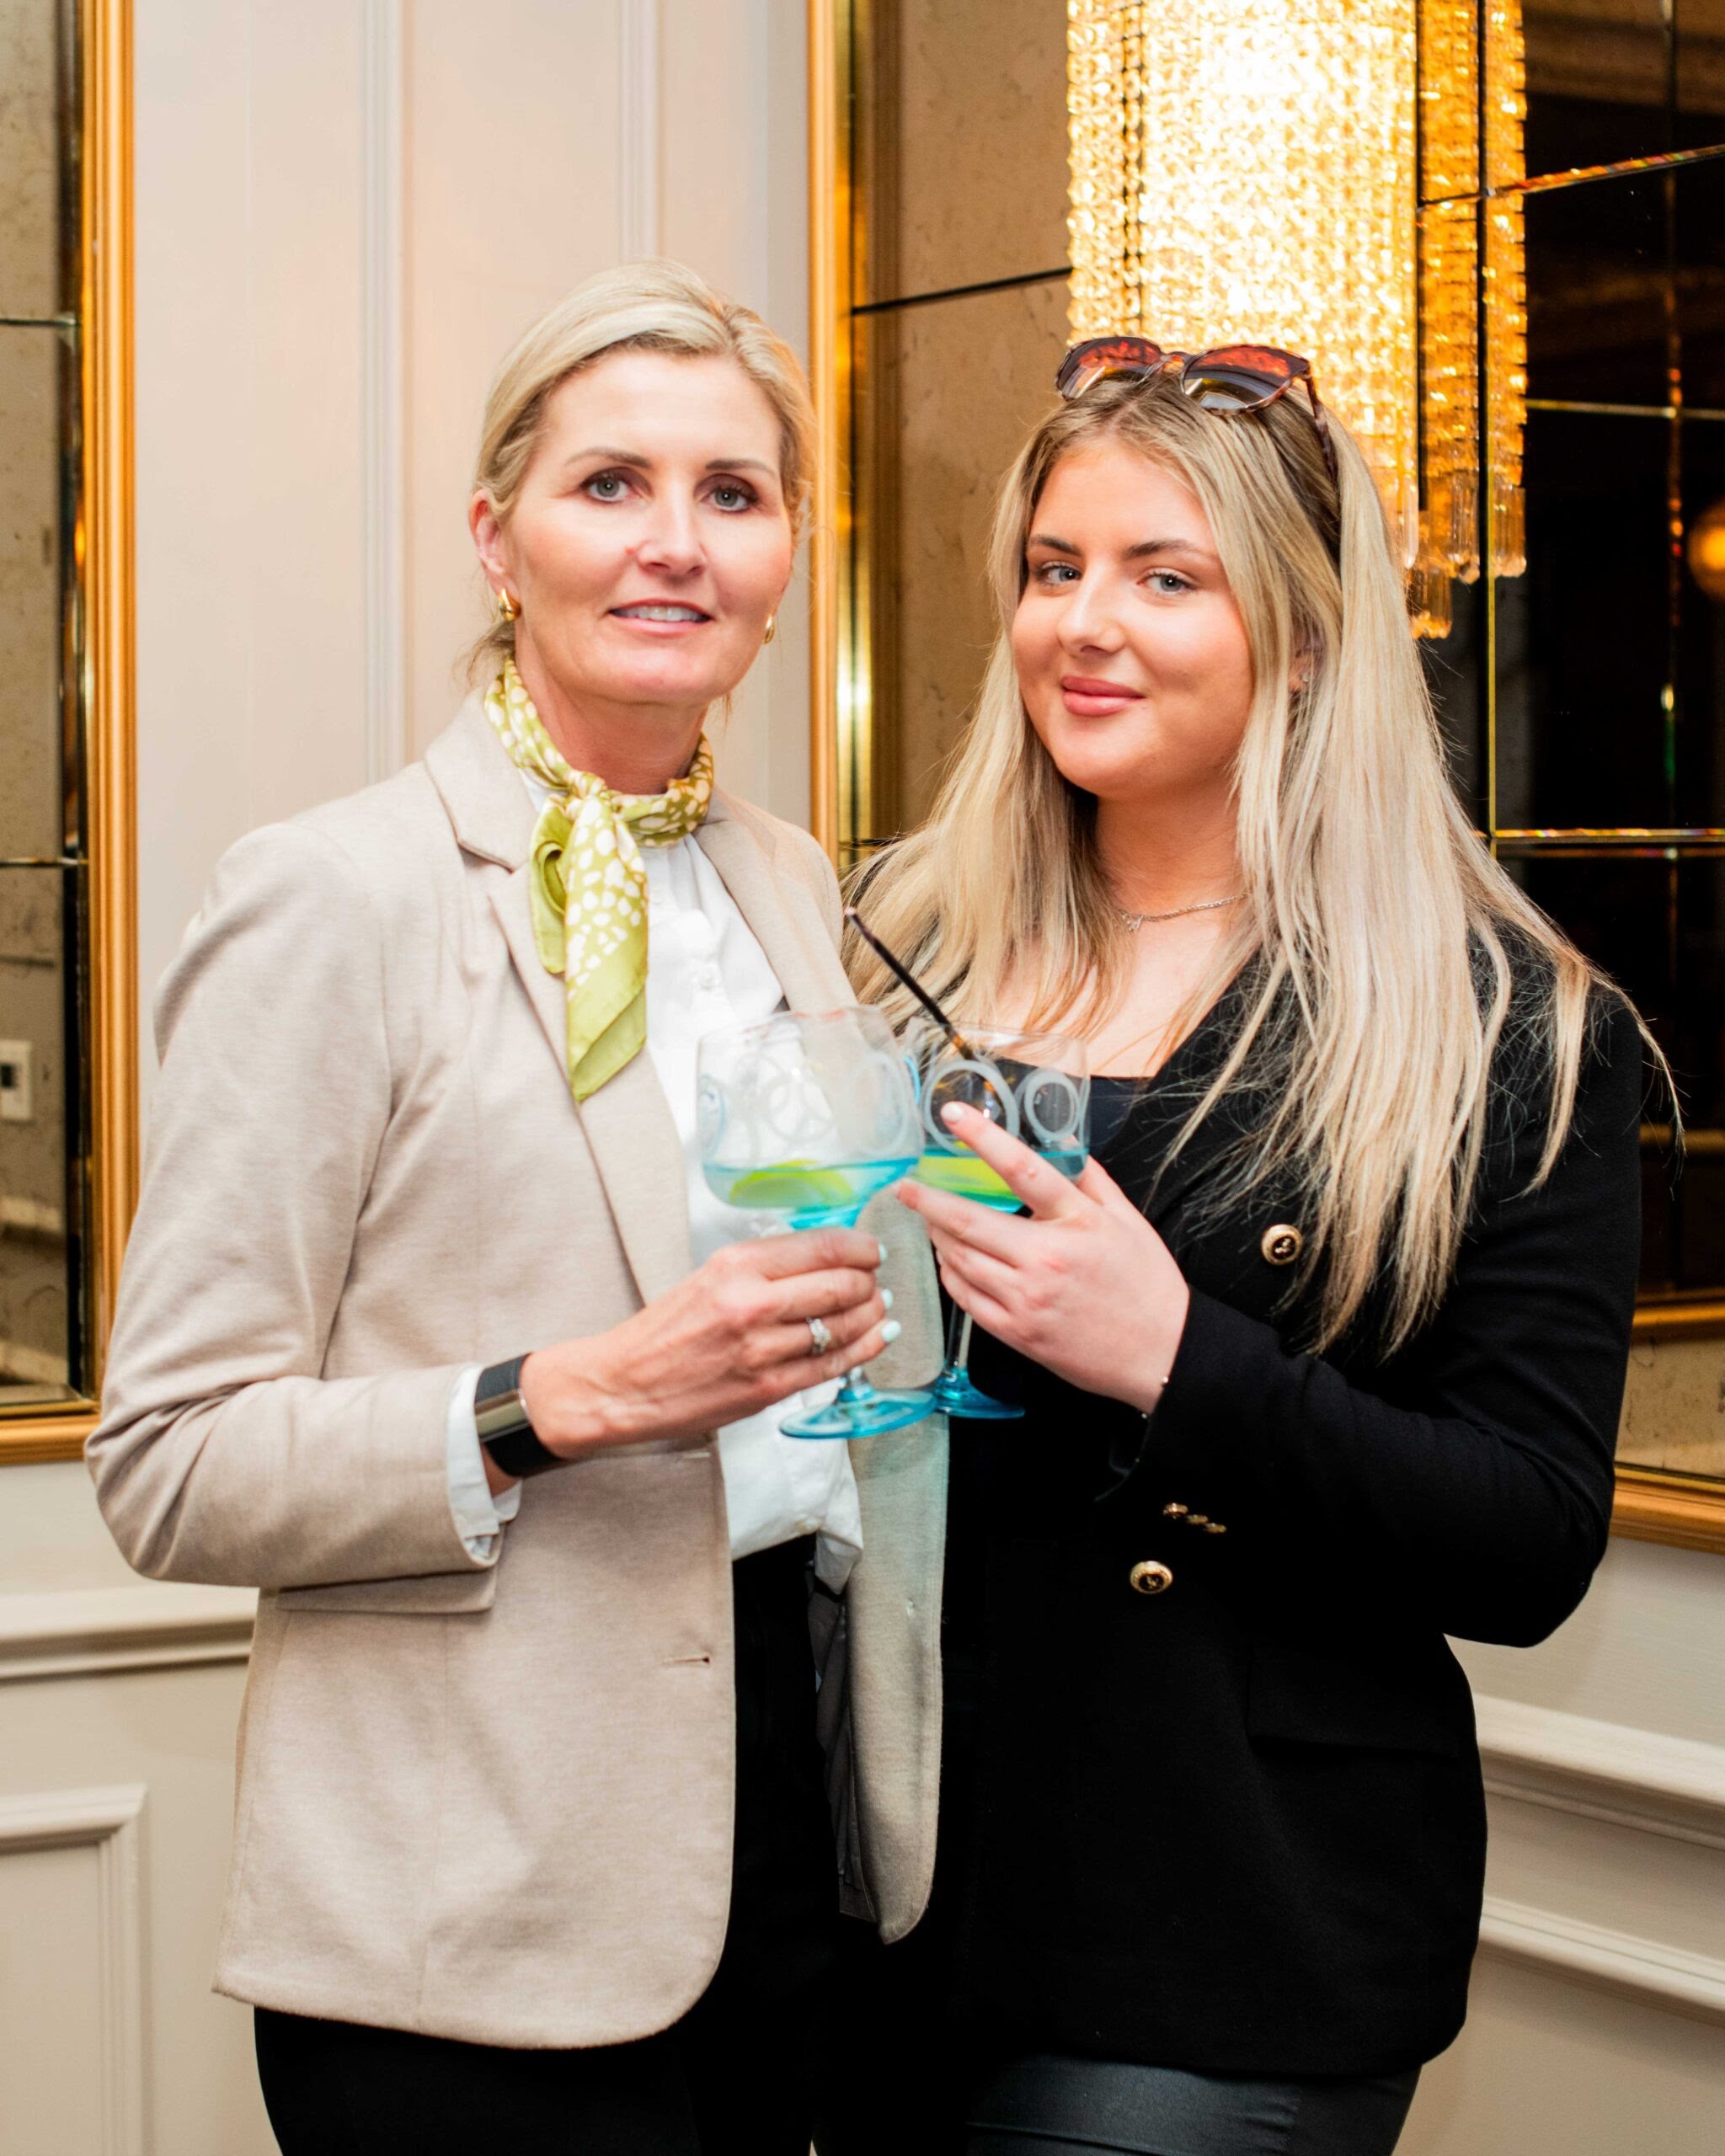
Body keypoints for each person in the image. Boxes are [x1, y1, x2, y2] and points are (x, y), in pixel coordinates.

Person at [88, 259, 943, 2156]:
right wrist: (571, 1394)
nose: (675, 541)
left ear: (787, 558)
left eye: (733, 492)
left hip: (790, 1832)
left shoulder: (793, 880)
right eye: (609, 482)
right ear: (498, 538)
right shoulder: (337, 896)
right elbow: (166, 1460)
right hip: (465, 1904)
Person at [836, 337, 1653, 2156]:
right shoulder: (888, 947)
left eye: (1164, 577)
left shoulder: (1495, 1027)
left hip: (1217, 1921)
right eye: (1055, 568)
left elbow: (1526, 1536)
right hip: (870, 1892)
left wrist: (1174, 1359)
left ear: (1299, 638)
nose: (1084, 625)